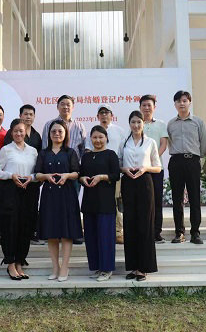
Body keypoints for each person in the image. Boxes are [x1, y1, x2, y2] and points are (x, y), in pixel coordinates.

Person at [0, 119, 38, 280]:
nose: (19, 133)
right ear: (11, 133)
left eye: (21, 131)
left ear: (26, 132)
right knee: (10, 227)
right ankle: (10, 263)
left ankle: (19, 262)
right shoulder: (6, 150)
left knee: (25, 227)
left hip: (28, 190)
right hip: (10, 191)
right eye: (16, 131)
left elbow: (37, 172)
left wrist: (31, 177)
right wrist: (11, 175)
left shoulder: (33, 151)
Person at [35, 120, 82, 281]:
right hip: (49, 195)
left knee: (66, 233)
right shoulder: (44, 153)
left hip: (67, 195)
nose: (56, 134)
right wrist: (46, 176)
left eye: (60, 131)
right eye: (53, 131)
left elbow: (77, 173)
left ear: (65, 134)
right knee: (51, 233)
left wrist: (67, 175)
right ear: (49, 134)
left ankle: (64, 267)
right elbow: (37, 174)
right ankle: (55, 267)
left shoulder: (70, 152)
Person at [118, 111, 162, 281]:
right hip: (128, 182)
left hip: (145, 182)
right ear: (129, 124)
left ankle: (144, 268)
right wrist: (124, 169)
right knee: (130, 223)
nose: (136, 125)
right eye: (133, 122)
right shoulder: (124, 142)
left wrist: (145, 168)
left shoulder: (150, 142)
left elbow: (158, 167)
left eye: (139, 122)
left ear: (144, 123)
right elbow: (118, 164)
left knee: (145, 224)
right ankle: (133, 267)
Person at [167, 90, 206, 245]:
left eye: (184, 100)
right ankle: (179, 232)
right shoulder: (171, 124)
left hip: (192, 161)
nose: (182, 103)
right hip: (176, 161)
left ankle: (195, 232)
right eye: (178, 101)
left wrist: (198, 158)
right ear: (175, 104)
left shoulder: (198, 122)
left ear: (189, 102)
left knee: (194, 197)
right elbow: (169, 142)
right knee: (177, 198)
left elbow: (204, 143)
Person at [80, 126, 121, 281]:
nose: (97, 140)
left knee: (105, 236)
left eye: (100, 137)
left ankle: (107, 269)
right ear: (90, 139)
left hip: (105, 202)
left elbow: (116, 175)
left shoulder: (111, 154)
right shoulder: (86, 156)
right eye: (94, 137)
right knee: (91, 237)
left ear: (106, 138)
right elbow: (81, 174)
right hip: (89, 201)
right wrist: (82, 179)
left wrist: (102, 177)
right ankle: (97, 267)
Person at [85, 105, 126, 244]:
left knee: (116, 203)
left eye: (106, 112)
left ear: (111, 115)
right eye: (101, 113)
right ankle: (101, 232)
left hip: (114, 173)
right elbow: (88, 151)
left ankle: (118, 232)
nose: (104, 115)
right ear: (97, 116)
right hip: (95, 176)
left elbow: (123, 151)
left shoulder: (119, 131)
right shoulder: (93, 132)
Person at [3, 104, 44, 245]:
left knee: (31, 207)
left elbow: (39, 157)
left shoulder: (37, 136)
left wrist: (37, 177)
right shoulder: (12, 133)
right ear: (20, 116)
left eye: (31, 114)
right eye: (25, 114)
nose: (28, 117)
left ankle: (31, 233)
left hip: (31, 180)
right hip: (14, 180)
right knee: (14, 210)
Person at [139, 95, 169, 244]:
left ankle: (156, 232)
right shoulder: (137, 124)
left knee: (156, 201)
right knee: (143, 201)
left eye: (149, 105)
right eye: (144, 105)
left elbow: (164, 144)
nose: (146, 108)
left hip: (156, 169)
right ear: (140, 107)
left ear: (154, 107)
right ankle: (144, 231)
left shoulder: (161, 124)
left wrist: (153, 159)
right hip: (141, 170)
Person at [41, 95, 86, 159]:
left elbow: (83, 148)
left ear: (73, 107)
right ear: (57, 107)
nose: (65, 107)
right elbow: (45, 145)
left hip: (73, 163)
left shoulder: (79, 126)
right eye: (62, 104)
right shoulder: (49, 125)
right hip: (52, 161)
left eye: (68, 105)